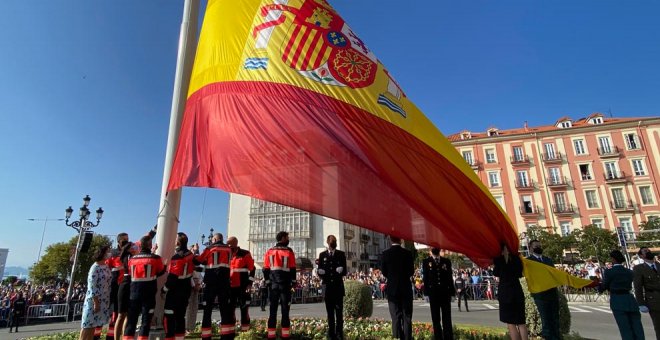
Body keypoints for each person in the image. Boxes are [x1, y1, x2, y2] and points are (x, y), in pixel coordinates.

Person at [123, 235, 166, 340]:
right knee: (146, 322)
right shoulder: (155, 258)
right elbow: (160, 271)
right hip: (148, 295)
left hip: (133, 294)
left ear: (140, 245)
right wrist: (165, 266)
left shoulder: (132, 259)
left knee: (131, 322)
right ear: (150, 245)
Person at [194, 232, 233, 340]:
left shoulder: (210, 248)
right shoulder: (229, 250)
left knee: (207, 310)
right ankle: (226, 336)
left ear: (215, 239)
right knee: (224, 310)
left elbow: (198, 260)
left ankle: (206, 337)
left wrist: (196, 250)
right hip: (224, 282)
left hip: (211, 283)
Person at [600, 250, 644, 340]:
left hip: (617, 299)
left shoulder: (609, 272)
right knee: (637, 326)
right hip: (630, 298)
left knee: (625, 328)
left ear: (613, 259)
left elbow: (604, 285)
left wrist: (599, 288)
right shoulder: (629, 272)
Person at [162, 232, 198, 340]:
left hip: (175, 291)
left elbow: (173, 277)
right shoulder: (190, 255)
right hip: (186, 288)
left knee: (169, 315)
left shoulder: (177, 257)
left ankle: (170, 338)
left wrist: (164, 289)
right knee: (180, 316)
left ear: (177, 242)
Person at [263, 231, 297, 339]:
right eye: (287, 237)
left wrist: (268, 282)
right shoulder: (289, 251)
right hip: (285, 285)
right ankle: (285, 336)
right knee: (285, 310)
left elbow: (265, 269)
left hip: (273, 285)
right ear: (282, 238)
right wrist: (294, 282)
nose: (288, 239)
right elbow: (292, 269)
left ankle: (271, 335)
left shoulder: (270, 251)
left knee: (272, 311)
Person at [381, 236, 414, 340]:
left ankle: (397, 337)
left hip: (392, 288)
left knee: (395, 318)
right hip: (405, 288)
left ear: (390, 240)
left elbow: (384, 272)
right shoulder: (407, 253)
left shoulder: (385, 254)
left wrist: (392, 277)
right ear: (401, 240)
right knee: (407, 317)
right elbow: (411, 271)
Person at [526, 239, 560, 340]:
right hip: (540, 294)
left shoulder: (548, 260)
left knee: (555, 318)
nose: (538, 247)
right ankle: (548, 337)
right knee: (545, 319)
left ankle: (557, 337)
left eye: (539, 245)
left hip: (552, 293)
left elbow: (554, 273)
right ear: (531, 248)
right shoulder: (529, 261)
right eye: (536, 246)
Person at [493, 243, 528, 340]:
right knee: (521, 322)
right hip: (517, 292)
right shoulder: (517, 259)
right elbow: (520, 274)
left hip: (505, 293)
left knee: (511, 323)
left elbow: (495, 273)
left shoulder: (499, 260)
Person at [317, 234, 347, 340]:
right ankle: (331, 334)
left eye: (333, 244)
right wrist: (320, 272)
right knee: (330, 313)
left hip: (338, 287)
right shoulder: (322, 255)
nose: (331, 246)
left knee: (339, 313)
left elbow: (345, 272)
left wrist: (341, 270)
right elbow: (320, 270)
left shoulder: (340, 254)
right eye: (330, 244)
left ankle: (339, 334)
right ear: (327, 243)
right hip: (327, 288)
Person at [422, 248, 455, 340]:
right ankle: (438, 337)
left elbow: (449, 277)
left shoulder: (446, 261)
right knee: (435, 318)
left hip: (445, 293)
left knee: (447, 318)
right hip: (433, 294)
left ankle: (448, 337)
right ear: (430, 250)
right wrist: (426, 293)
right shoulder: (426, 261)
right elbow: (426, 278)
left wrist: (452, 292)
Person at [80, 245, 112, 340]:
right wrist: (96, 303)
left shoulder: (105, 267)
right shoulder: (95, 268)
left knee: (93, 326)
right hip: (94, 301)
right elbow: (92, 286)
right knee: (87, 326)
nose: (109, 254)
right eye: (107, 252)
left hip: (104, 300)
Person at [228, 236, 256, 332]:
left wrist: (249, 284)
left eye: (230, 245)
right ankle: (231, 332)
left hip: (242, 286)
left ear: (235, 244)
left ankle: (245, 332)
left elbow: (252, 269)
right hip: (230, 287)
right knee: (230, 310)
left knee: (244, 309)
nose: (229, 247)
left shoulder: (245, 254)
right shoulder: (227, 254)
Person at [633, 246, 660, 338]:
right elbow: (638, 287)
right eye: (645, 251)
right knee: (659, 326)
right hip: (654, 300)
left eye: (648, 250)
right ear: (641, 256)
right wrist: (641, 303)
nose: (648, 252)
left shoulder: (659, 265)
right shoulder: (639, 268)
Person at [186, 254, 203, 333]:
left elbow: (200, 276)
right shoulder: (190, 266)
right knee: (189, 307)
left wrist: (199, 284)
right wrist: (194, 285)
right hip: (190, 287)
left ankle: (192, 327)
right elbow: (189, 276)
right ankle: (187, 327)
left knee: (194, 307)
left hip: (196, 287)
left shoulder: (198, 267)